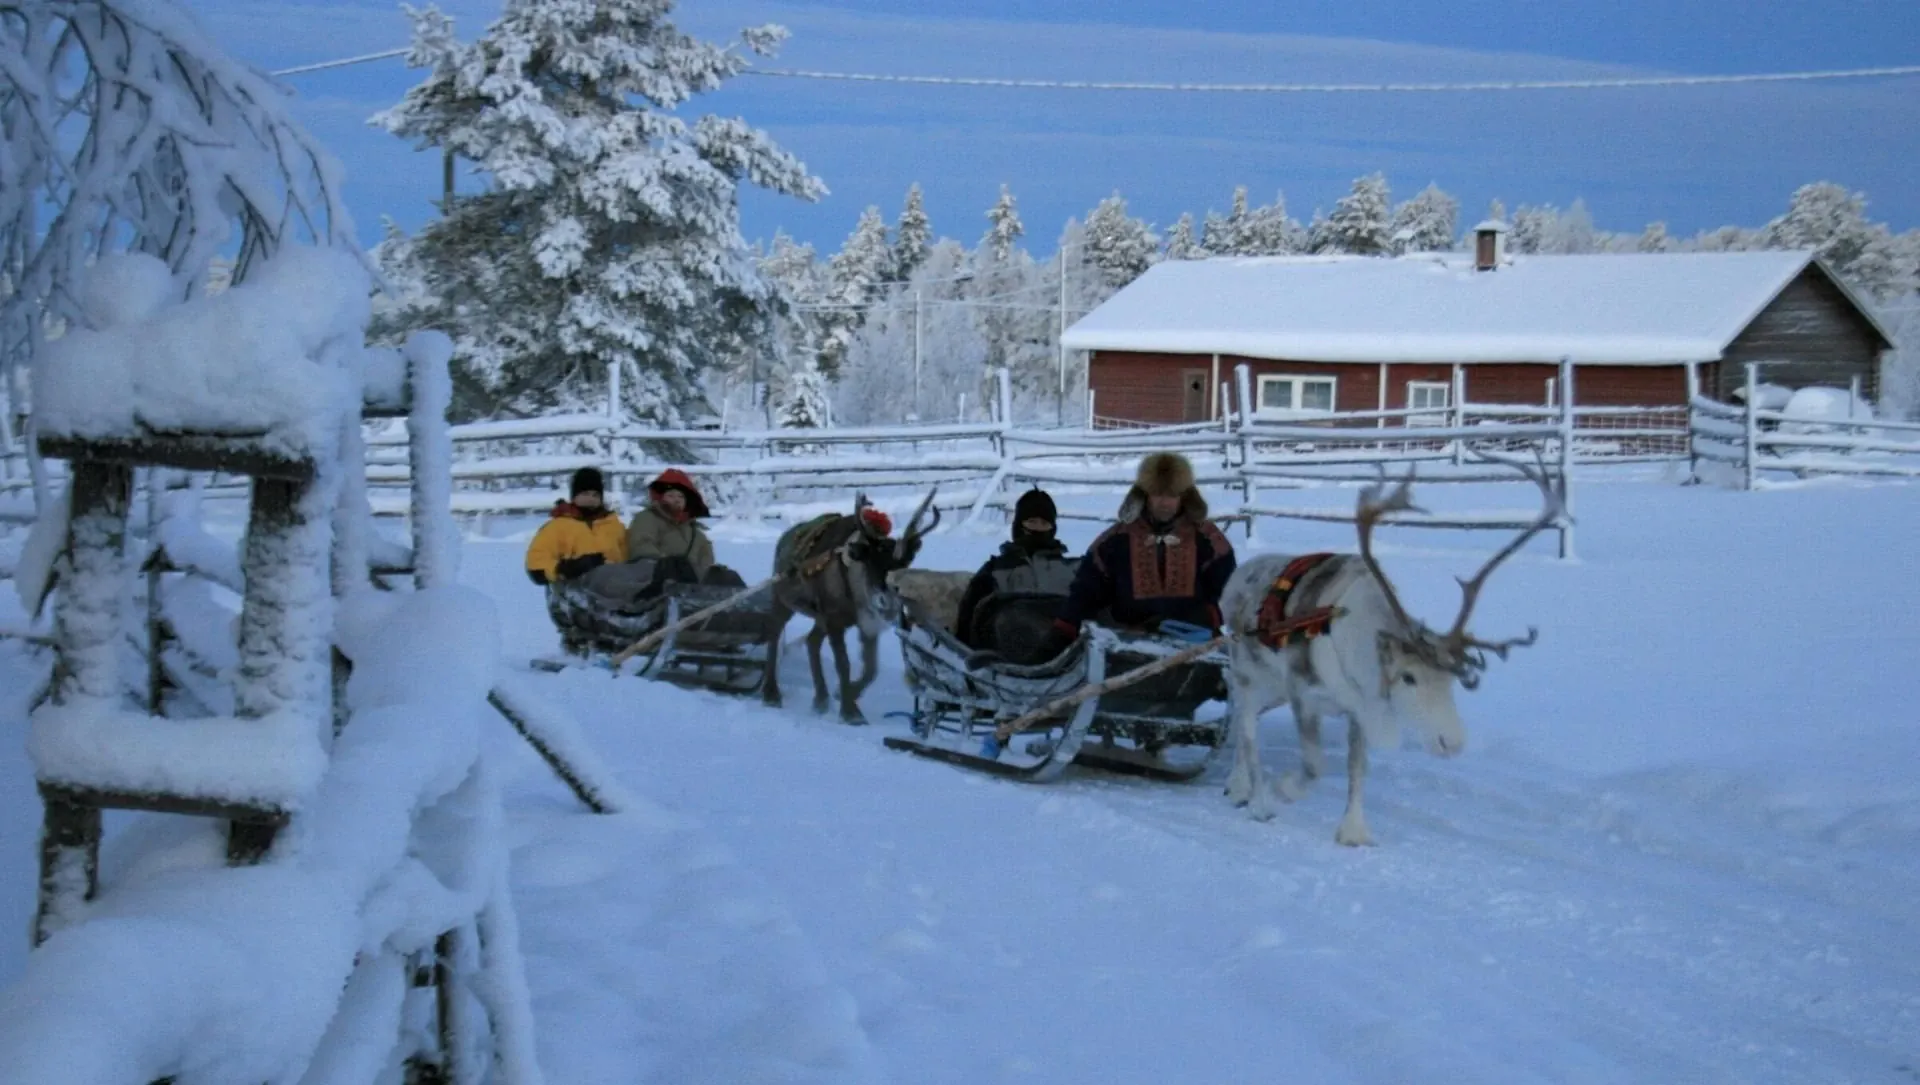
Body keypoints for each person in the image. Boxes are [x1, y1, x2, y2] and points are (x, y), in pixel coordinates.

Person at [1052, 451, 1236, 639]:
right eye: (1157, 494)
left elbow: (1232, 593)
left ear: (1184, 496)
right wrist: (1063, 629)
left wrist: (1205, 616)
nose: (1164, 503)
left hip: (1193, 640)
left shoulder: (1208, 539)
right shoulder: (1115, 540)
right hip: (1128, 642)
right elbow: (1086, 591)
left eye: (1171, 495)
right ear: (1145, 494)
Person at [953, 487, 1077, 651]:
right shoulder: (996, 569)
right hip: (1009, 654)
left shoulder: (1071, 569)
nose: (1038, 528)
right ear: (1019, 525)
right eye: (1032, 521)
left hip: (1066, 652)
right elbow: (969, 612)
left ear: (1052, 528)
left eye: (1044, 523)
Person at [525, 467, 627, 587]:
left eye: (595, 495)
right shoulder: (558, 527)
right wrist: (566, 569)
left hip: (614, 593)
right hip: (571, 594)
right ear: (574, 496)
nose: (591, 499)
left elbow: (630, 559)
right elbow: (535, 563)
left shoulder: (614, 526)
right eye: (585, 494)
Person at [625, 469, 719, 583]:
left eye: (681, 497)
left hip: (692, 584)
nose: (677, 500)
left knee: (726, 577)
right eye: (671, 495)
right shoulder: (647, 518)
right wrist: (667, 563)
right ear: (660, 498)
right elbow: (641, 545)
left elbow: (706, 561)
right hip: (656, 578)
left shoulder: (695, 533)